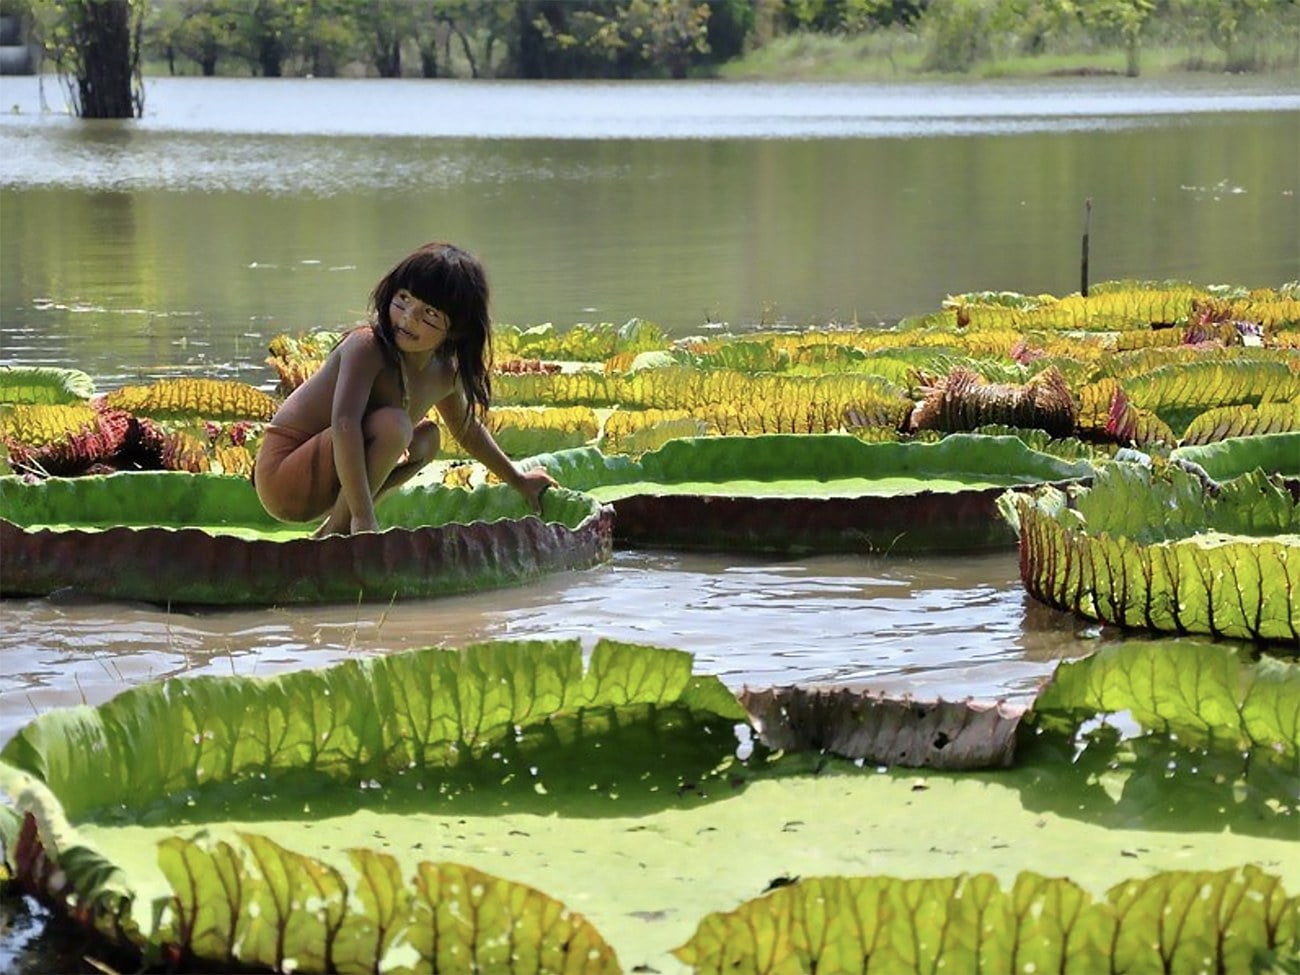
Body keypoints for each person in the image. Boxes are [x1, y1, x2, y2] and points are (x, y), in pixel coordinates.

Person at [253, 241, 556, 537]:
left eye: (430, 314)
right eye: (404, 299)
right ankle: (345, 529)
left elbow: (468, 431)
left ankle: (332, 532)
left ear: (457, 329)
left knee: (427, 438)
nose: (409, 318)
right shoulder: (366, 347)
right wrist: (363, 516)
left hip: (333, 479)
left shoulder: (445, 373)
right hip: (283, 478)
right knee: (395, 425)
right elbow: (344, 423)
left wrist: (518, 479)